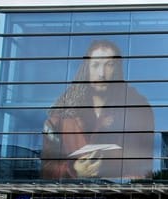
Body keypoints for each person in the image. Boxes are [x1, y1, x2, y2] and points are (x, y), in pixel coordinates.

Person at [41, 39, 155, 179]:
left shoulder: (137, 107)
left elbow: (143, 164)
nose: (101, 73)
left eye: (109, 65)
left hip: (118, 193)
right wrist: (74, 170)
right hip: (70, 196)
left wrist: (111, 167)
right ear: (87, 69)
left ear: (117, 69)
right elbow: (47, 168)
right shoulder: (62, 112)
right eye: (95, 65)